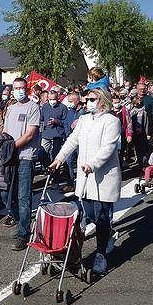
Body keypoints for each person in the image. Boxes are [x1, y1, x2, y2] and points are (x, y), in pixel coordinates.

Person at [49, 87, 121, 275]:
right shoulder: (83, 119)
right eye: (87, 98)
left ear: (103, 101)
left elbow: (108, 147)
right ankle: (108, 234)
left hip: (103, 176)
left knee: (102, 216)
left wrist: (93, 164)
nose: (87, 101)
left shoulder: (112, 121)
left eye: (91, 99)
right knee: (88, 214)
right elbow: (72, 141)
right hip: (85, 176)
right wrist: (58, 159)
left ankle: (101, 254)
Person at [1, 77, 41, 251]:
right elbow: (5, 131)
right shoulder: (10, 108)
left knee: (23, 197)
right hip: (10, 158)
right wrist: (2, 145)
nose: (19, 90)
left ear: (27, 88)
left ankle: (23, 234)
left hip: (25, 157)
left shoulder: (33, 107)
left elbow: (30, 134)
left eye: (21, 87)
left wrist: (10, 147)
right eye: (16, 88)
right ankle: (20, 222)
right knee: (5, 193)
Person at [40, 90, 68, 185]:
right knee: (41, 154)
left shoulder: (63, 107)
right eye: (50, 99)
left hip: (58, 135)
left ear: (58, 98)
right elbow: (41, 119)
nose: (52, 101)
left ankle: (56, 178)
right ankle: (49, 168)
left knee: (56, 156)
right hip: (46, 134)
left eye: (54, 99)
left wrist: (57, 121)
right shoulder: (45, 107)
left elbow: (66, 122)